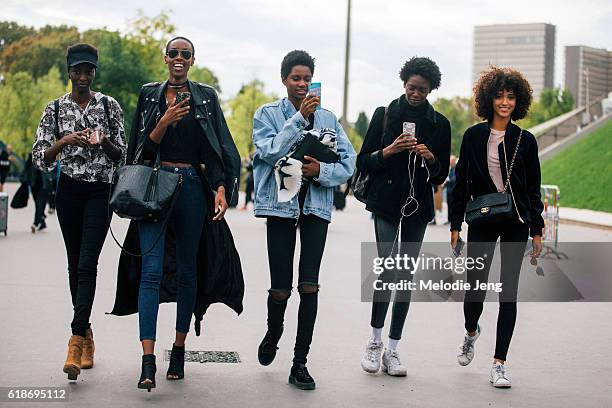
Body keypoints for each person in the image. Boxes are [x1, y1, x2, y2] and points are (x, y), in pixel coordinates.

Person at [117, 36, 242, 392]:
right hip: (154, 187)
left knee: (188, 270)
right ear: (164, 58)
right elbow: (138, 150)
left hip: (190, 187)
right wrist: (164, 121)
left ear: (192, 60)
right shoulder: (148, 95)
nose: (178, 58)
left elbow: (216, 148)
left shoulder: (206, 97)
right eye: (173, 53)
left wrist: (220, 188)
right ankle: (147, 360)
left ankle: (178, 348)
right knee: (151, 272)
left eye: (185, 54)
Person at [252, 50, 356, 390]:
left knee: (309, 286)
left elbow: (348, 163)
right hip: (280, 208)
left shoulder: (328, 118)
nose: (301, 84)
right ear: (284, 80)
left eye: (306, 78)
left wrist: (321, 170)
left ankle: (300, 362)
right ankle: (273, 332)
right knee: (281, 289)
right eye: (295, 78)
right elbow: (268, 152)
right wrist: (298, 119)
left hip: (315, 209)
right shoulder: (267, 114)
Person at [32, 43, 127, 381]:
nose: (83, 76)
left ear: (94, 73)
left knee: (88, 262)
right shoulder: (55, 108)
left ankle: (74, 340)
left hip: (100, 191)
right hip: (69, 191)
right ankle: (86, 332)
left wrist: (104, 143)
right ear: (69, 72)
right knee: (75, 264)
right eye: (77, 70)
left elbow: (122, 156)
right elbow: (40, 156)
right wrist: (66, 141)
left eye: (89, 71)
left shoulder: (109, 106)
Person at [449, 66, 544, 388]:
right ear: (488, 99)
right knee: (474, 289)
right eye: (500, 96)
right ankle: (471, 331)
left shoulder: (525, 141)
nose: (505, 102)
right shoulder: (474, 136)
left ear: (519, 101)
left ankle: (499, 363)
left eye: (511, 96)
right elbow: (460, 183)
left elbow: (533, 189)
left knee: (508, 294)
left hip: (516, 222)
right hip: (482, 220)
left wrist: (537, 230)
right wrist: (454, 224)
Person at [357, 57, 451, 376]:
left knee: (406, 276)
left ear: (431, 90)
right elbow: (363, 161)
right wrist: (390, 150)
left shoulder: (439, 123)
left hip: (417, 206)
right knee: (387, 269)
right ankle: (374, 341)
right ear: (403, 84)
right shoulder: (385, 115)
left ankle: (393, 349)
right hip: (385, 201)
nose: (415, 94)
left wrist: (431, 157)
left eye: (422, 90)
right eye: (411, 87)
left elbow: (440, 177)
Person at [443, 155, 457, 224]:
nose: (451, 163)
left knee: (452, 206)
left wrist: (447, 181)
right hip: (449, 191)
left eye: (452, 161)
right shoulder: (450, 169)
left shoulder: (455, 169)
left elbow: (453, 179)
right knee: (449, 206)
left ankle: (452, 220)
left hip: (453, 191)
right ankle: (449, 219)